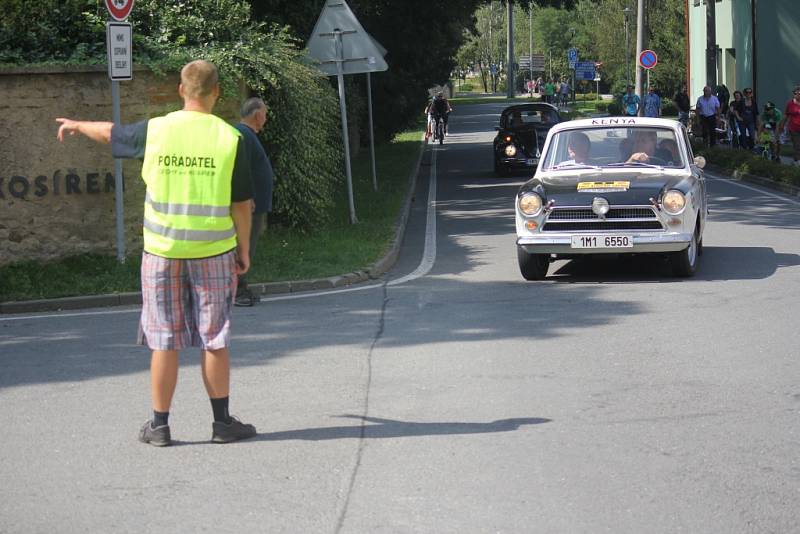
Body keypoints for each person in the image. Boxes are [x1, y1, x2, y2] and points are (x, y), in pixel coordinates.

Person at [55, 60, 258, 447]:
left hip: (162, 252)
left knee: (164, 338)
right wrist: (243, 250)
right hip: (214, 251)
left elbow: (111, 134)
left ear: (181, 90)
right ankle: (222, 424)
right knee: (214, 338)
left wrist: (79, 125)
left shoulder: (156, 130)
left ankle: (160, 426)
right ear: (217, 93)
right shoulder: (231, 137)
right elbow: (241, 205)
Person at [234, 97, 275, 306]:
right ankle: (237, 291)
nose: (266, 119)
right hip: (250, 205)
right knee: (245, 247)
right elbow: (243, 169)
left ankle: (242, 287)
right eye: (265, 114)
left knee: (248, 246)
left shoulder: (246, 135)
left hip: (254, 203)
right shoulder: (244, 135)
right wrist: (247, 196)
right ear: (257, 114)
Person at [778, 85, 800, 166]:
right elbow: (786, 115)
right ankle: (797, 162)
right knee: (797, 145)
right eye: (796, 93)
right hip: (794, 128)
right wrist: (782, 126)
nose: (798, 95)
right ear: (793, 94)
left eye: (799, 93)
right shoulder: (790, 104)